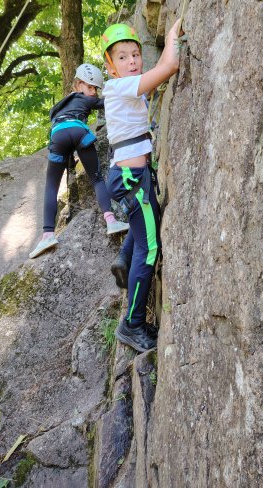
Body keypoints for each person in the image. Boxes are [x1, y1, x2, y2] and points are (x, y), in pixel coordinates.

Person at [100, 20, 181, 352]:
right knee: (149, 249)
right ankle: (132, 325)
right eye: (122, 57)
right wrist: (173, 35)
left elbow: (158, 71)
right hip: (131, 179)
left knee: (147, 223)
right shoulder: (119, 87)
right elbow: (169, 67)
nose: (132, 61)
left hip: (132, 176)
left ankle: (123, 257)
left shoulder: (127, 86)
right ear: (111, 67)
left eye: (135, 54)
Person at [29, 63, 129, 259]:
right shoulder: (86, 99)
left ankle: (47, 235)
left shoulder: (60, 106)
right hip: (78, 131)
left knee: (51, 187)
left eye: (95, 89)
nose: (93, 92)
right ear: (78, 85)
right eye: (90, 87)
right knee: (96, 178)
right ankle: (111, 221)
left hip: (58, 136)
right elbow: (109, 101)